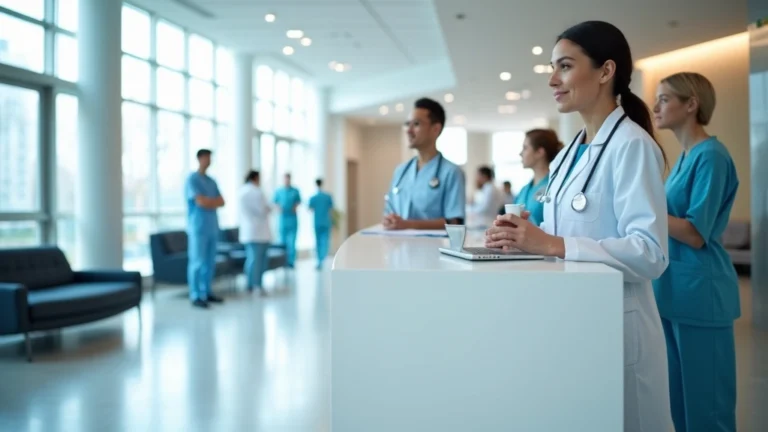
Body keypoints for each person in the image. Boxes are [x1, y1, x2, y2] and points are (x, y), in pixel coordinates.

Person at [485, 21, 673, 431]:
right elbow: (567, 234)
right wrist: (521, 237)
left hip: (620, 328)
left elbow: (651, 253)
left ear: (606, 71)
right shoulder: (569, 153)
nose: (553, 79)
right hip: (574, 321)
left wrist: (551, 244)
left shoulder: (633, 146)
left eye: (565, 67)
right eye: (552, 68)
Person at [652, 72, 739, 432]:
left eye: (665, 99)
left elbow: (695, 233)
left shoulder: (712, 156)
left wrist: (646, 209)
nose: (655, 106)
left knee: (708, 407)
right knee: (681, 402)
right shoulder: (685, 157)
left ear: (691, 104)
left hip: (702, 294)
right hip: (675, 289)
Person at [383, 98, 466, 230]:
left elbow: (454, 222)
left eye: (416, 124)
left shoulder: (451, 172)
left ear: (436, 129)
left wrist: (408, 225)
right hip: (397, 247)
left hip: (433, 248)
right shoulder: (400, 171)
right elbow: (389, 212)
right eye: (407, 124)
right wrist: (389, 221)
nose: (408, 130)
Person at [185, 149, 225, 308]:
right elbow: (201, 202)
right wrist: (211, 201)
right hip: (198, 227)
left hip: (212, 227)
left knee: (209, 262)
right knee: (197, 261)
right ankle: (195, 295)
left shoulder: (211, 181)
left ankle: (206, 292)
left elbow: (222, 201)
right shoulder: (192, 179)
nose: (209, 160)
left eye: (210, 158)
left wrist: (209, 201)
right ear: (200, 158)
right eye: (207, 157)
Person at [513, 129, 563, 226]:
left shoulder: (556, 186)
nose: (520, 153)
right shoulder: (524, 189)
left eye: (525, 148)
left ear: (540, 152)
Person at [238, 170, 272, 296]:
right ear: (255, 178)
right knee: (258, 261)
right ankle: (256, 285)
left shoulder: (242, 191)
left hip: (250, 232)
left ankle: (251, 285)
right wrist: (269, 208)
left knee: (252, 260)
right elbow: (263, 209)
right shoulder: (256, 192)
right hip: (258, 232)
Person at [273, 173, 301, 268]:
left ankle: (291, 261)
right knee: (282, 241)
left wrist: (294, 207)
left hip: (292, 218)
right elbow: (275, 203)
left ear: (290, 179)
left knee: (292, 241)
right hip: (282, 219)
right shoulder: (278, 191)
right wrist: (278, 208)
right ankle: (283, 262)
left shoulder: (295, 191)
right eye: (285, 179)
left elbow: (298, 202)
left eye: (288, 179)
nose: (286, 181)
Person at [308, 178, 335, 270]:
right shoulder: (328, 197)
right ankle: (323, 258)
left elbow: (310, 209)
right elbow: (331, 210)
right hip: (326, 221)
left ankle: (319, 261)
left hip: (317, 222)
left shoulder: (313, 198)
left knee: (318, 241)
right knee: (325, 241)